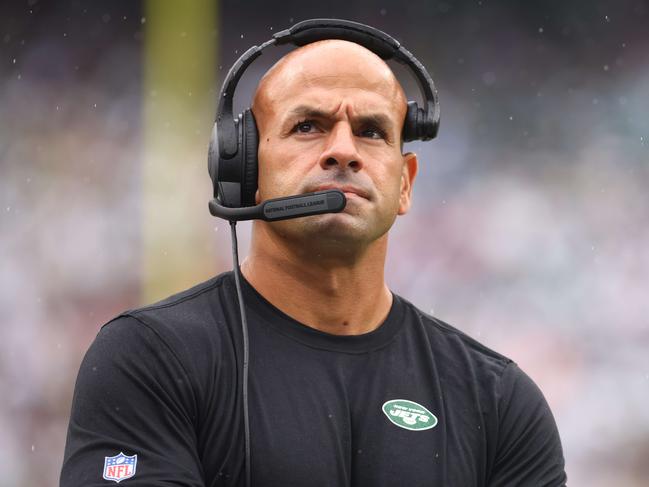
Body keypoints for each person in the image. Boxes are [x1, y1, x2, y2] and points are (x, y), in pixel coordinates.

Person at [60, 33, 567, 487]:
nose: (343, 151)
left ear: (405, 181)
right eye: (308, 126)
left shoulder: (499, 402)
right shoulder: (150, 360)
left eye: (371, 131)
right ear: (246, 166)